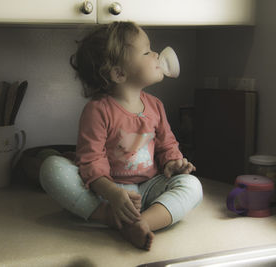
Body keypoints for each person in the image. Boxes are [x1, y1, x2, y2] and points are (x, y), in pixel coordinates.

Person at [39, 21, 203, 251]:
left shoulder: (155, 106)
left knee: (192, 185)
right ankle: (109, 216)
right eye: (147, 51)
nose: (156, 54)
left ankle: (141, 223)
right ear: (118, 73)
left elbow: (167, 144)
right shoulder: (98, 111)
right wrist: (113, 194)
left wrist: (174, 162)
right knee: (51, 168)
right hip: (110, 194)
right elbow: (91, 161)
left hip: (150, 187)